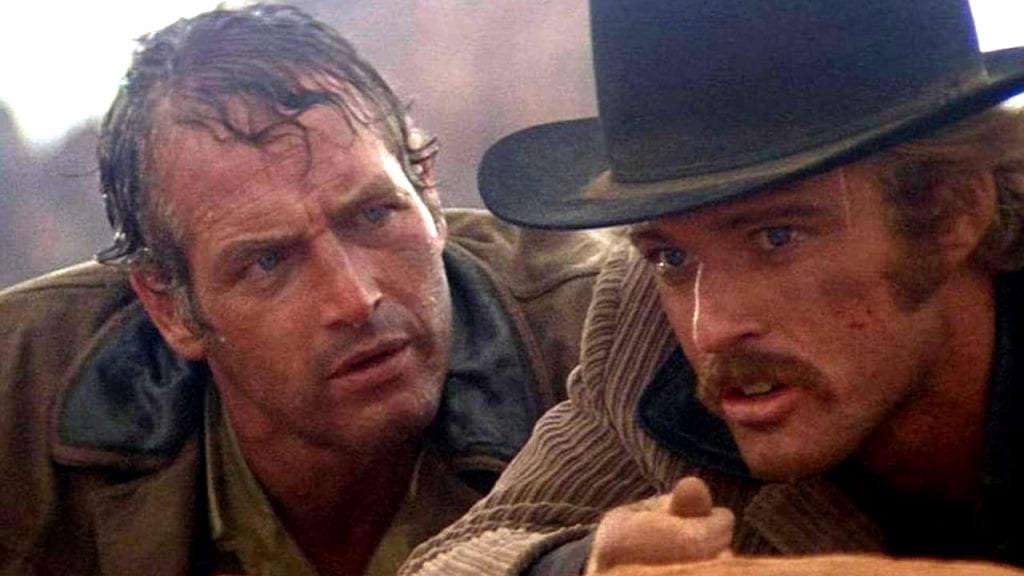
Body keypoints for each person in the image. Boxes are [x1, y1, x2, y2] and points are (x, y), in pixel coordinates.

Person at [401, 0, 1024, 574]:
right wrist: (585, 565)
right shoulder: (645, 325)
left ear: (951, 212)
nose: (710, 328)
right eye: (672, 255)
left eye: (776, 237)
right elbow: (454, 558)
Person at [0, 5, 615, 575]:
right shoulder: (19, 397)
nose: (354, 300)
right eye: (268, 262)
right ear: (169, 305)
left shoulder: (606, 339)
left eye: (374, 216)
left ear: (426, 190)